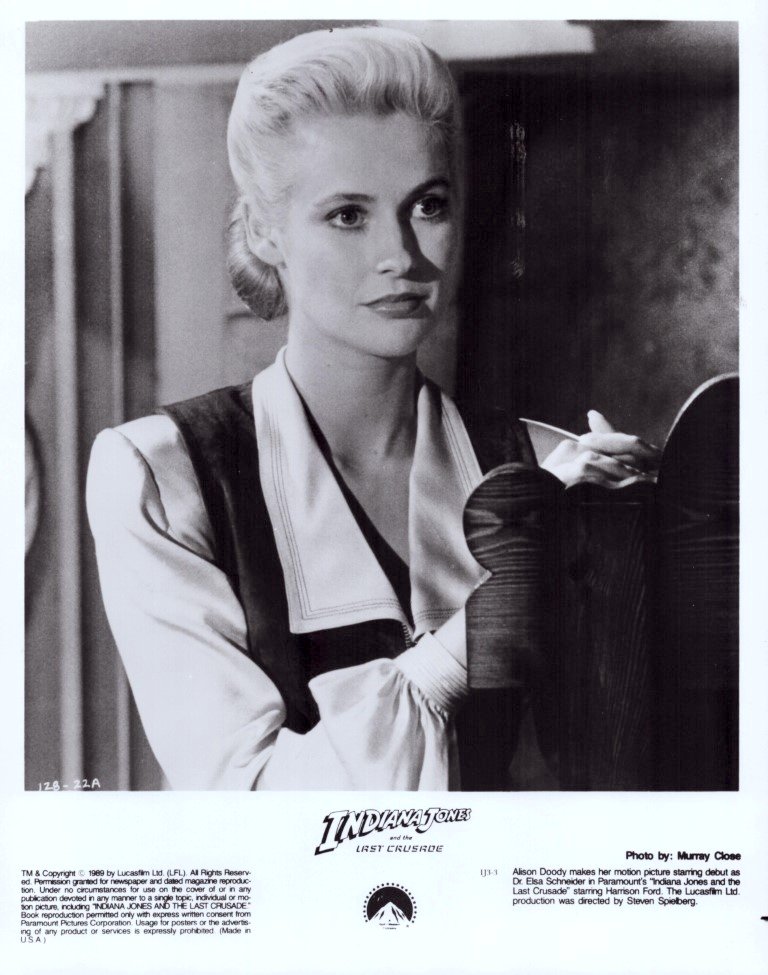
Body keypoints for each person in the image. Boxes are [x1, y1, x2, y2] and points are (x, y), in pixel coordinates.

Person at [86, 26, 657, 791]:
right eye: (348, 215)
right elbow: (244, 799)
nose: (402, 256)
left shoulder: (544, 463)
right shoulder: (162, 477)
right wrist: (478, 631)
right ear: (263, 229)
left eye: (428, 205)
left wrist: (650, 540)